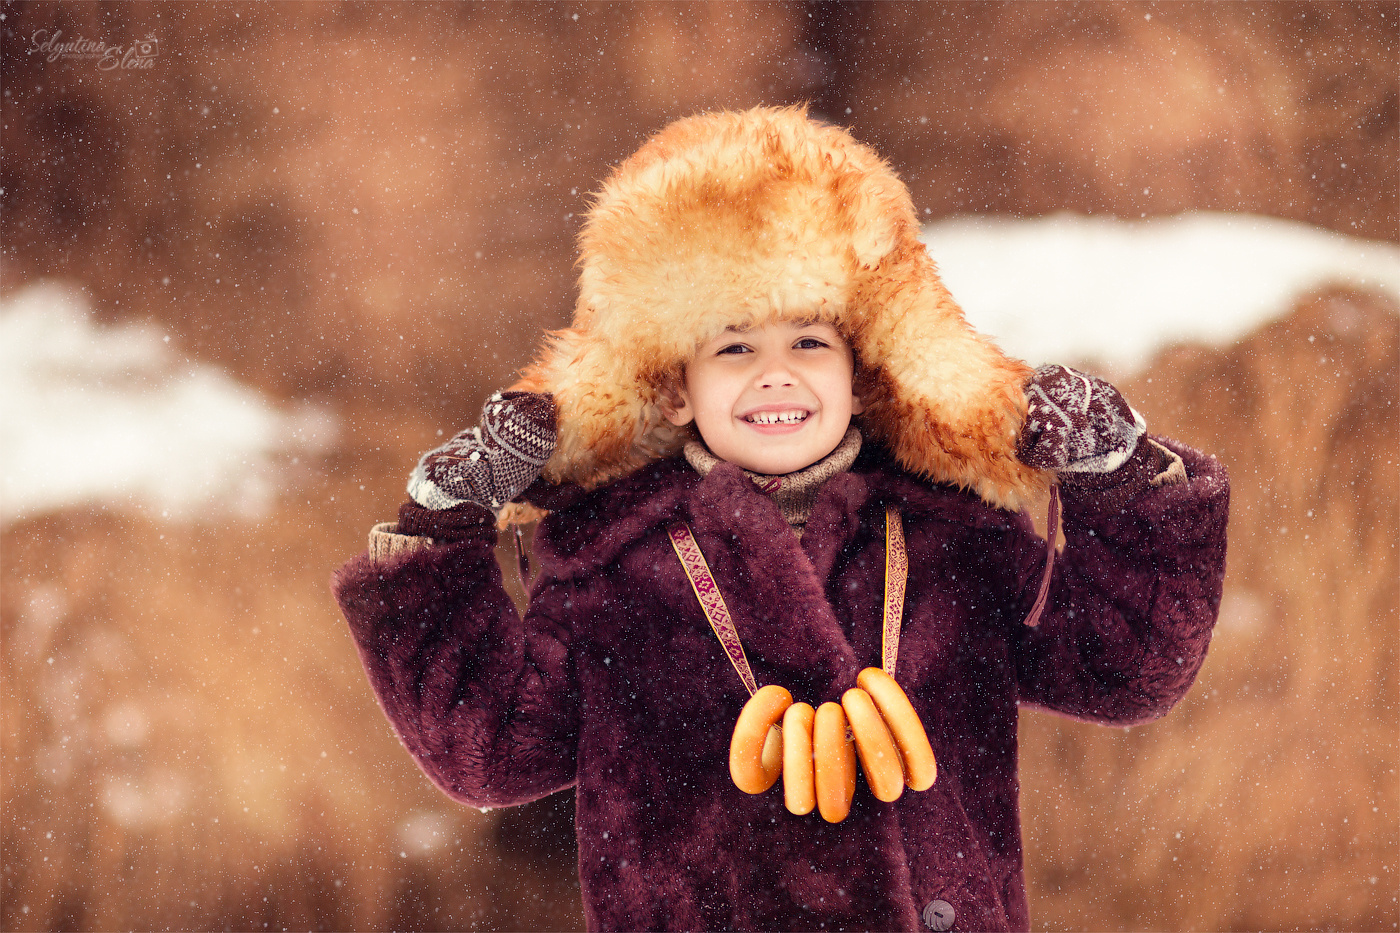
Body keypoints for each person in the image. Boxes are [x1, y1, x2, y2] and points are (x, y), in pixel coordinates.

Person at [332, 106, 1228, 932]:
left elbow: (1124, 671)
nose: (776, 373)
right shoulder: (613, 566)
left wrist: (1120, 478)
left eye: (808, 340)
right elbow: (488, 751)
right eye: (734, 346)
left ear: (862, 369)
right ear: (675, 389)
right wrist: (441, 530)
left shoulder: (954, 536)